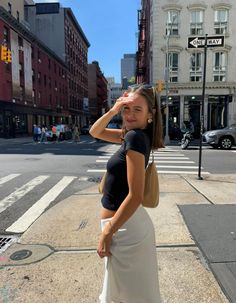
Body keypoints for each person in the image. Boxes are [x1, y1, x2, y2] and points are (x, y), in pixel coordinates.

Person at [89, 84, 164, 303]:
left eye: (137, 109)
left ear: (150, 114)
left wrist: (107, 233)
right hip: (125, 226)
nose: (129, 114)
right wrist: (113, 110)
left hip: (124, 231)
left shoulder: (135, 138)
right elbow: (95, 132)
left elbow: (135, 196)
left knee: (128, 296)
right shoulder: (132, 135)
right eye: (126, 108)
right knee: (129, 294)